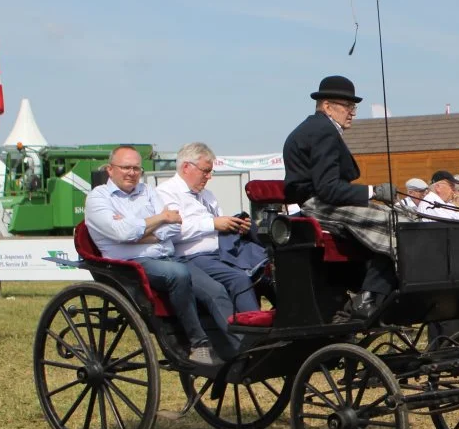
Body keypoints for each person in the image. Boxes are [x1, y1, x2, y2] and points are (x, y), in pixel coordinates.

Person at [85, 145, 237, 365]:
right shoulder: (98, 198)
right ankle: (198, 343)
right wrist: (158, 219)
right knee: (178, 273)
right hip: (129, 265)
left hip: (167, 256)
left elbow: (173, 228)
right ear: (110, 170)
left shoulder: (147, 191)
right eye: (126, 167)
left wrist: (140, 230)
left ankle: (236, 347)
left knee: (217, 290)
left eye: (136, 168)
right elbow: (121, 232)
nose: (132, 173)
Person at [282, 75, 399, 322]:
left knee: (401, 216)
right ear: (326, 106)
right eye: (347, 106)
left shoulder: (316, 128)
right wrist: (373, 191)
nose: (352, 113)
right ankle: (369, 296)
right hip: (319, 205)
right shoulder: (323, 130)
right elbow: (327, 189)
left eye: (353, 107)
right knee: (397, 224)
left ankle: (371, 289)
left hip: (319, 201)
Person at [157, 142, 260, 314]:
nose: (208, 176)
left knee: (267, 270)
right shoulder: (166, 193)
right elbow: (171, 233)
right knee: (239, 279)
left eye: (210, 171)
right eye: (205, 171)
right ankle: (254, 333)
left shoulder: (207, 195)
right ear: (186, 167)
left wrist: (236, 225)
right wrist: (213, 224)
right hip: (192, 256)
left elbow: (218, 223)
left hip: (222, 252)